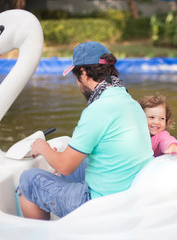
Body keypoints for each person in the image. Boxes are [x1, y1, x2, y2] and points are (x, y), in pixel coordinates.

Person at [18, 41, 154, 220]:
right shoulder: (130, 102)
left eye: (76, 76)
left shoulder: (97, 109)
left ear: (82, 73)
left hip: (100, 204)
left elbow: (65, 167)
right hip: (128, 193)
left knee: (29, 180)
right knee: (76, 165)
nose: (77, 83)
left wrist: (42, 147)